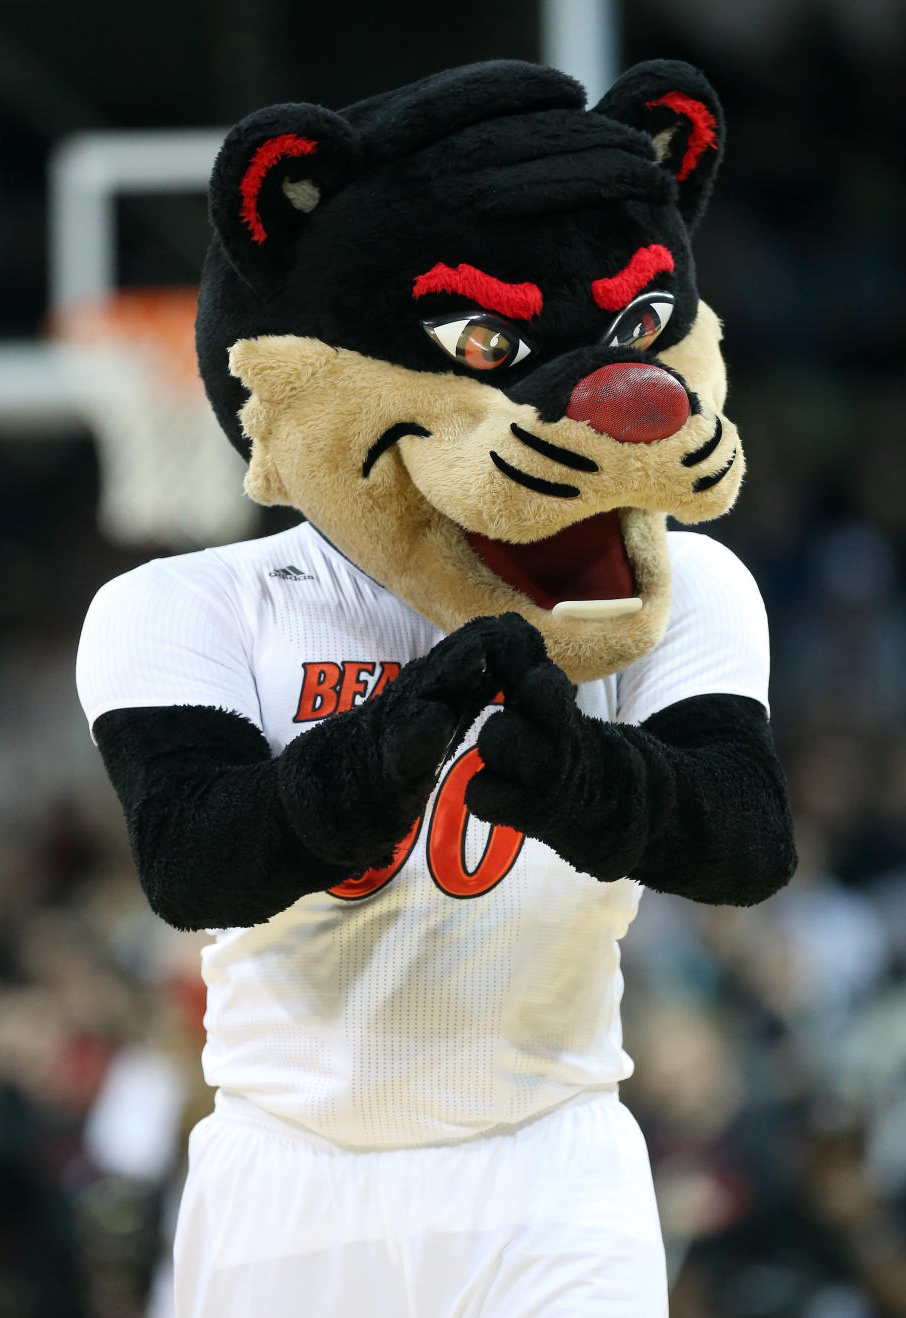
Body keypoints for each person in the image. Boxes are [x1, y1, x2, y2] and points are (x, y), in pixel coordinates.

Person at [77, 59, 796, 1316]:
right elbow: (197, 861)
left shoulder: (667, 589)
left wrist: (578, 773)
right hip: (287, 1170)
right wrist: (392, 740)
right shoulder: (183, 608)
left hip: (550, 1158)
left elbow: (744, 835)